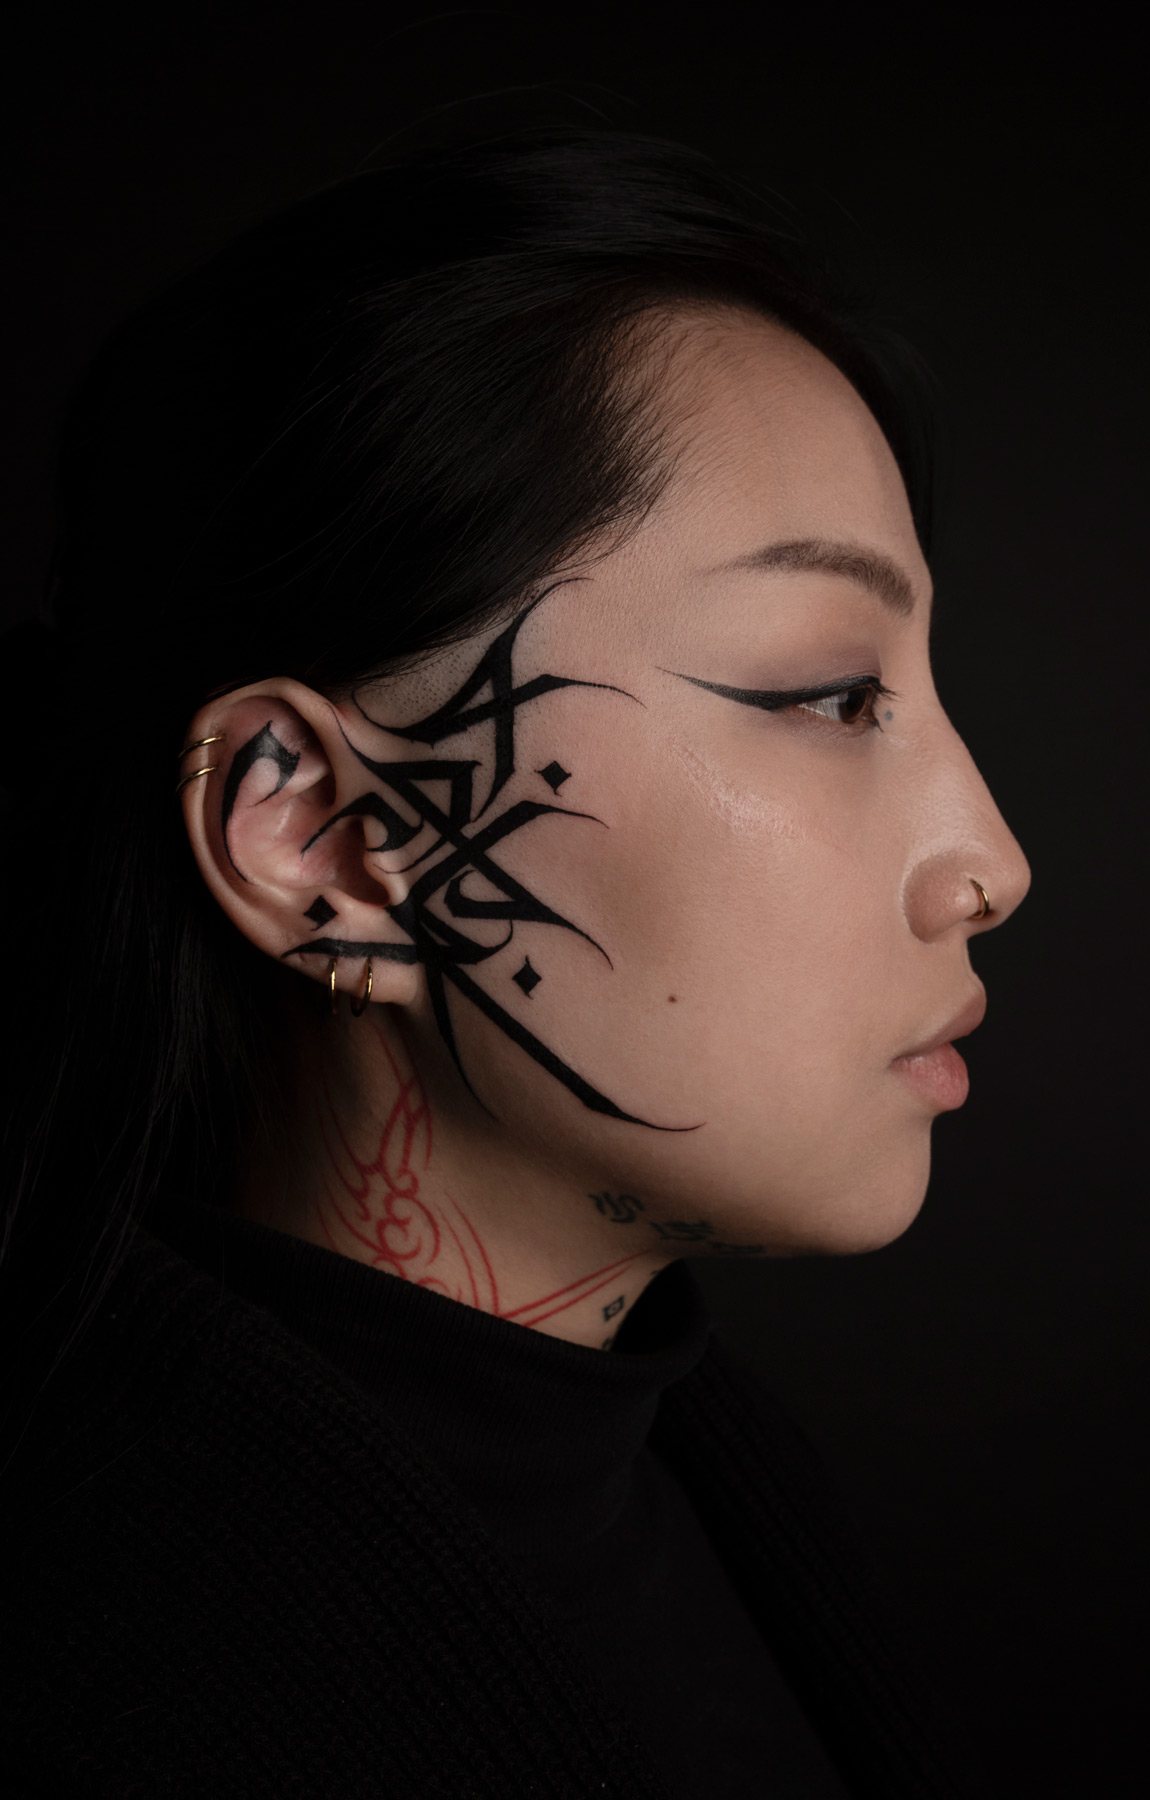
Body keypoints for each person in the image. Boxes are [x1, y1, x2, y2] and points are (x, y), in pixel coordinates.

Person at [0, 128, 1029, 1797]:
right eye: (829, 694)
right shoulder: (126, 1681)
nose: (991, 863)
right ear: (326, 838)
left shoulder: (702, 1476)